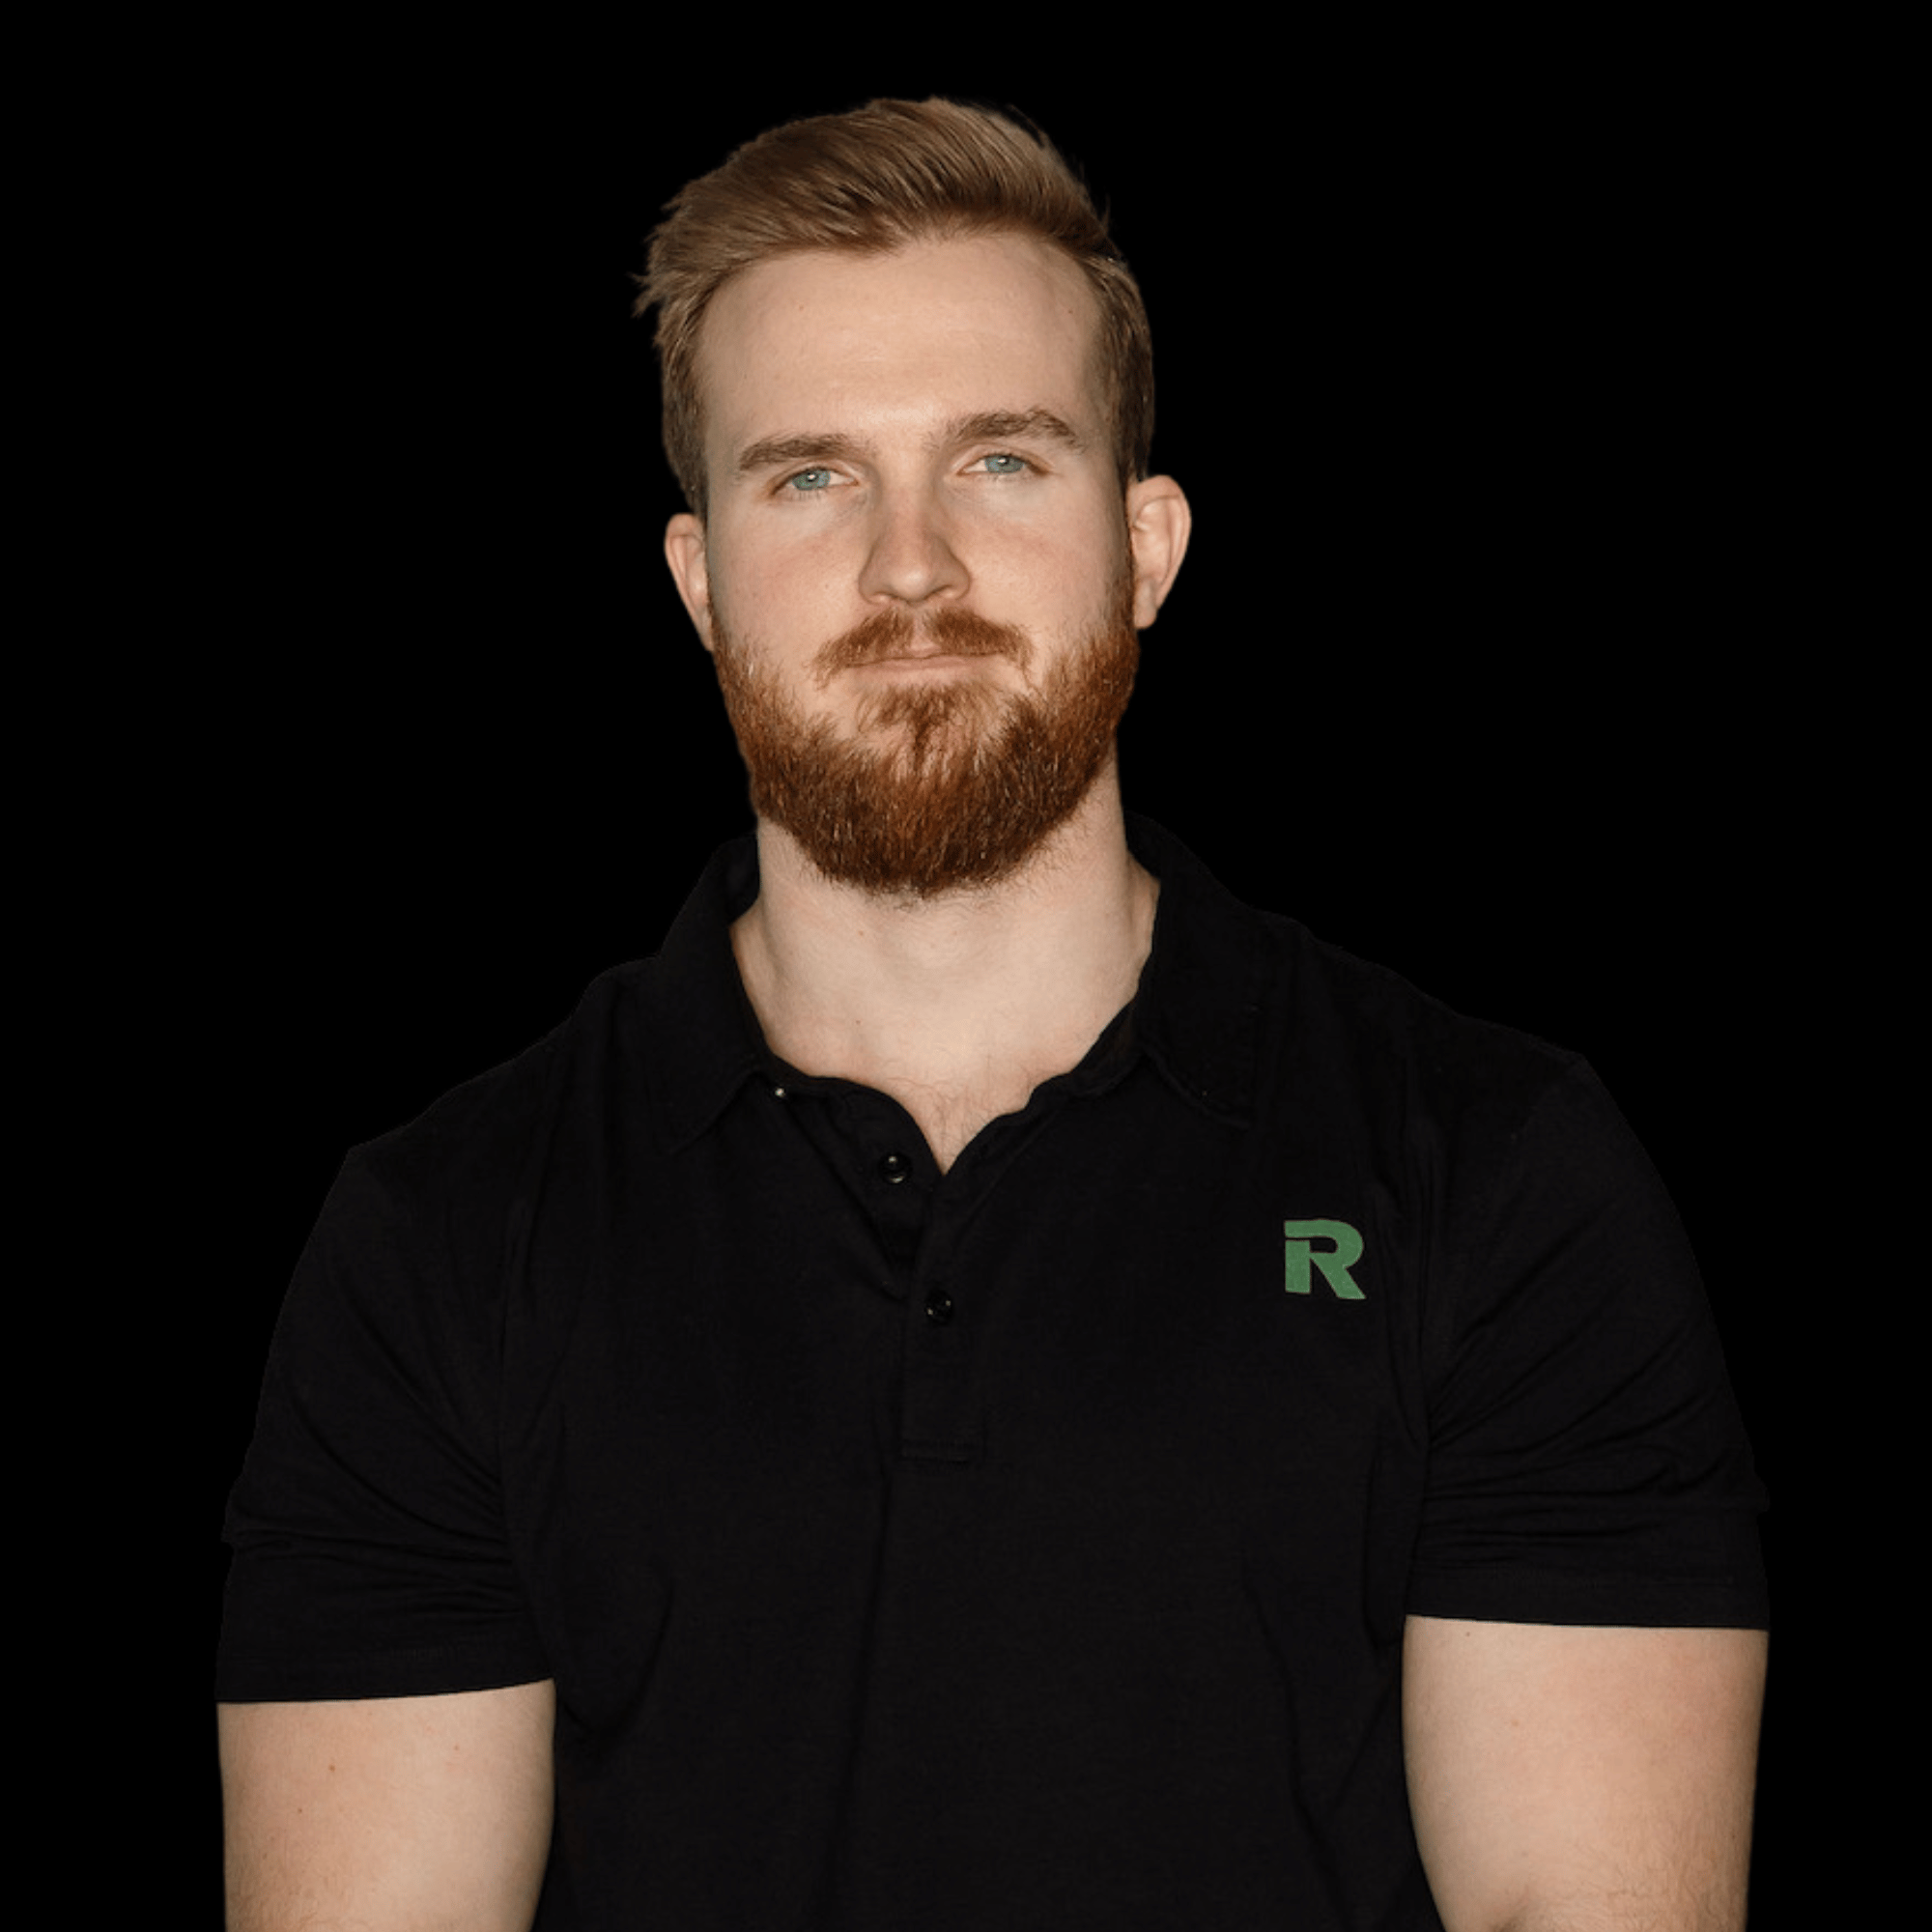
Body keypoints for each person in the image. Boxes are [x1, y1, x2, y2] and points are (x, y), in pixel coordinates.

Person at [216, 98, 1770, 1929]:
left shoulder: (1492, 1172)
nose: (912, 565)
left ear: (1148, 546)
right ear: (699, 584)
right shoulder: (444, 1235)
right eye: (811, 478)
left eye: (1003, 462)